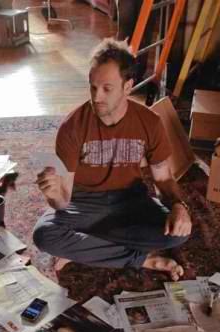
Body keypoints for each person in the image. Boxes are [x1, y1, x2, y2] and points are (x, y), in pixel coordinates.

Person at [33, 38, 192, 281]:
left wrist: (179, 206)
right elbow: (63, 201)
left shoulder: (150, 122)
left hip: (131, 201)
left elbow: (163, 179)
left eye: (107, 89)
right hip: (84, 203)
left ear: (127, 87)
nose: (97, 97)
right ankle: (144, 259)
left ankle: (86, 246)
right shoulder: (72, 126)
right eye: (93, 87)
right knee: (45, 235)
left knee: (179, 233)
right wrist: (53, 195)